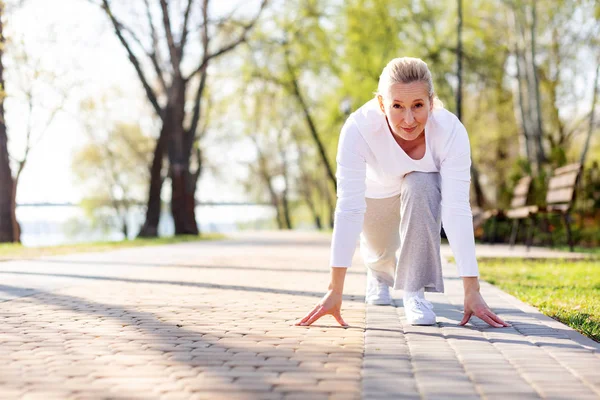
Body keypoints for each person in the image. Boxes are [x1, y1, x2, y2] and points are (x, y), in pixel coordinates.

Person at [296, 57, 510, 328]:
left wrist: (472, 290)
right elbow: (348, 208)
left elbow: (456, 210)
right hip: (376, 201)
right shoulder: (358, 128)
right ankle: (378, 273)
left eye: (418, 106)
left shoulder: (450, 131)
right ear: (382, 104)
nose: (408, 120)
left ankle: (414, 293)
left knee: (422, 183)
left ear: (431, 102)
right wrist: (335, 289)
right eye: (397, 106)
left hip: (419, 199)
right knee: (380, 254)